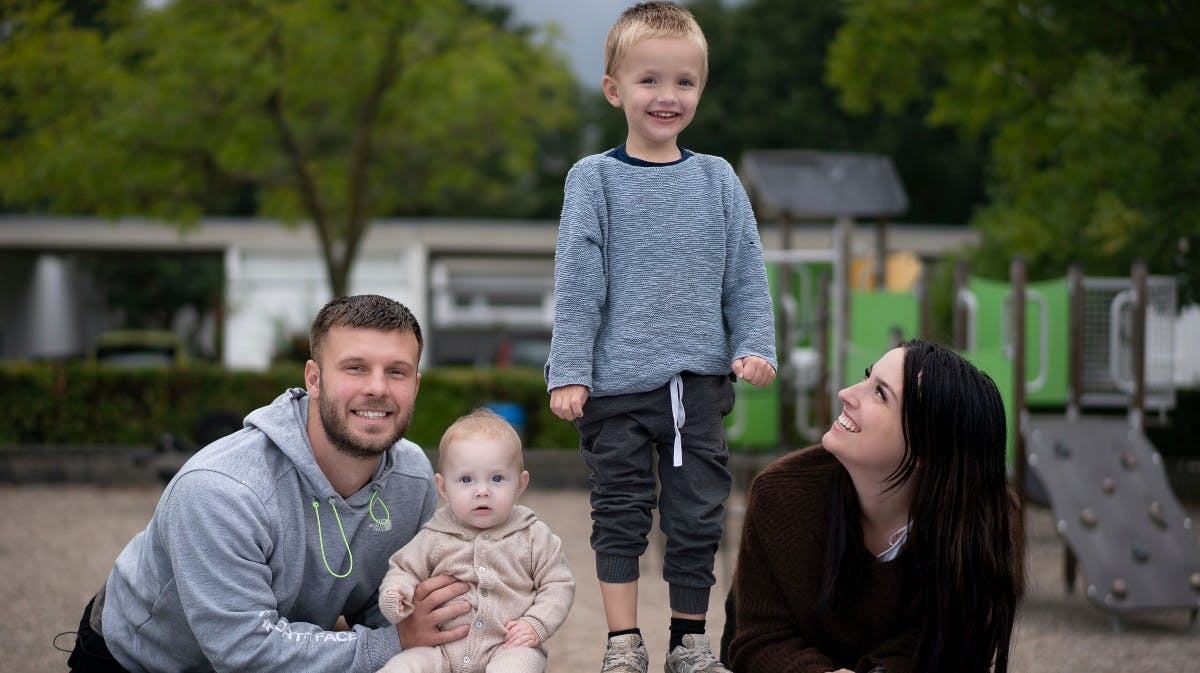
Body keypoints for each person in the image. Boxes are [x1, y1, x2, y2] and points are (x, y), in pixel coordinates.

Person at [544, 3, 777, 672]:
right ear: (614, 89)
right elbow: (579, 283)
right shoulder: (593, 180)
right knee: (619, 512)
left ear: (701, 90)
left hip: (695, 385)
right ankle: (623, 642)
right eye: (648, 80)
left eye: (683, 82)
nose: (666, 96)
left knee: (698, 515)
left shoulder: (717, 180)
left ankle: (687, 641)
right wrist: (569, 369)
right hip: (614, 385)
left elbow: (746, 274)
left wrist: (755, 342)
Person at [66, 294, 472, 673]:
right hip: (142, 661)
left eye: (396, 372)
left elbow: (389, 610)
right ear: (313, 379)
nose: (378, 388)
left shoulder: (413, 476)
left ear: (416, 385)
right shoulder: (222, 490)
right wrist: (390, 644)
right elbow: (246, 652)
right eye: (355, 367)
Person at [723, 340, 1025, 673]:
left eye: (880, 393)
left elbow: (955, 648)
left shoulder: (982, 520)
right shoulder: (780, 493)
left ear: (928, 446)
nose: (846, 393)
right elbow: (759, 639)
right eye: (867, 377)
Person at [376, 408, 575, 673]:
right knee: (402, 666)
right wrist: (397, 593)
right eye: (467, 479)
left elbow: (558, 583)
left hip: (509, 644)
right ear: (443, 487)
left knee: (518, 666)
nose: (482, 491)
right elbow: (403, 569)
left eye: (497, 478)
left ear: (520, 483)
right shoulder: (435, 535)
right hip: (442, 650)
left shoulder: (532, 535)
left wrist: (535, 623)